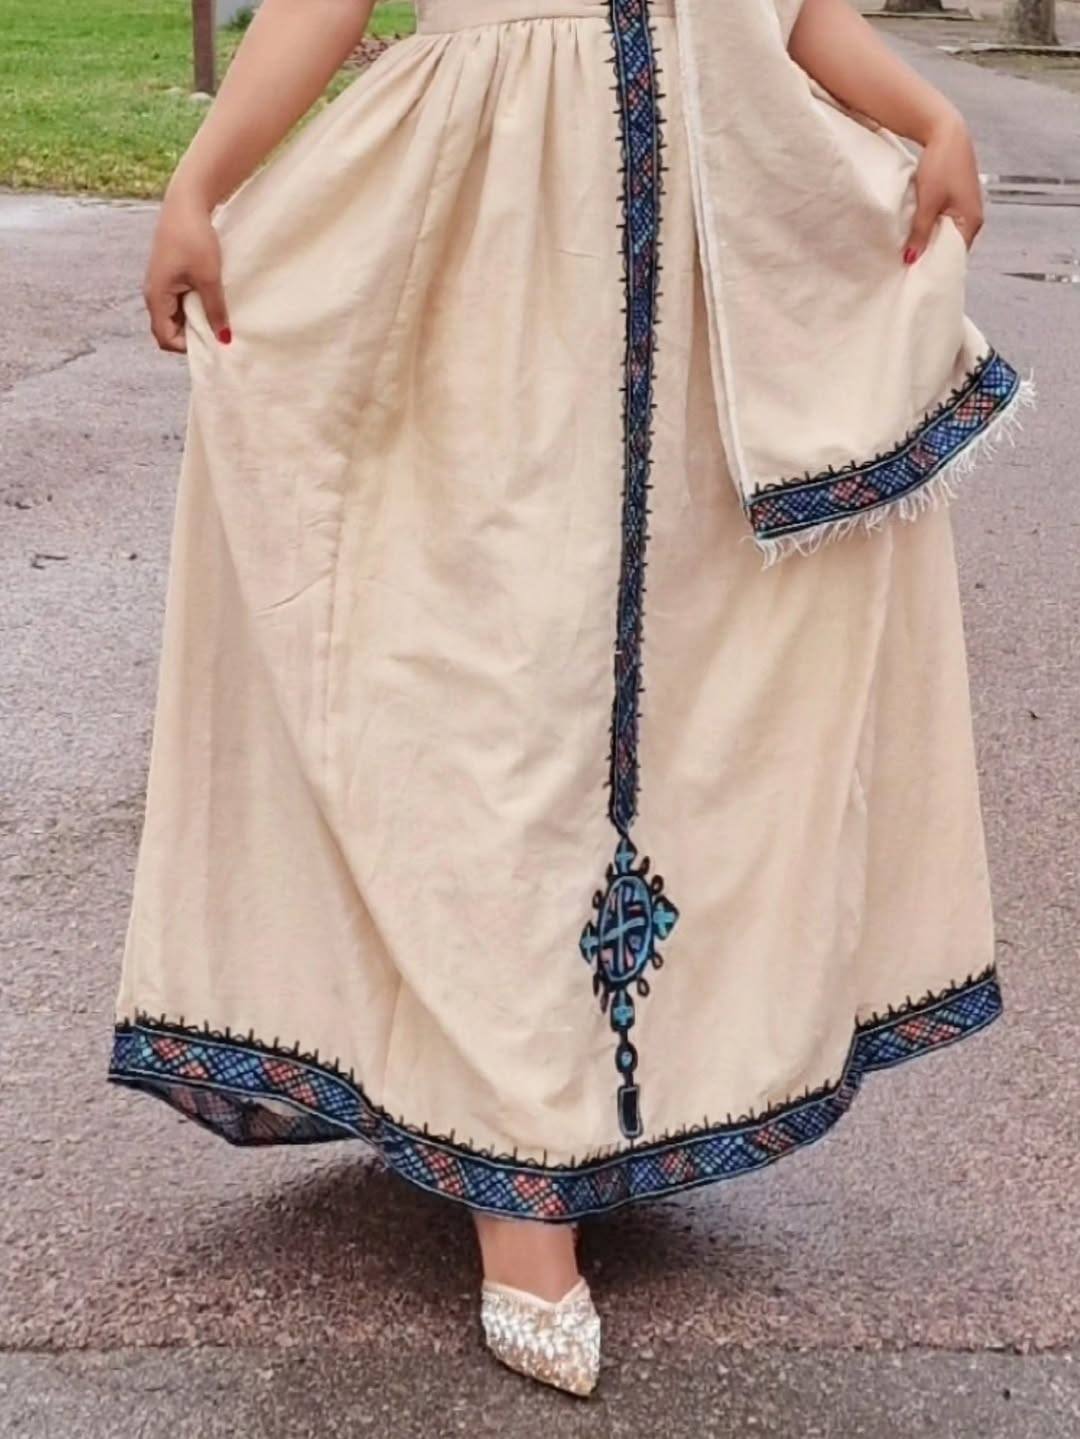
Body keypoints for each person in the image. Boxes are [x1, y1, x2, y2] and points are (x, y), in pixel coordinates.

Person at [110, 0, 1030, 1398]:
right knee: (503, 699)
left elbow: (790, 10)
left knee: (688, 705)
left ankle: (606, 1092)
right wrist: (205, 179)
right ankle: (522, 1175)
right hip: (488, 221)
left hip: (723, 240)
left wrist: (927, 114)